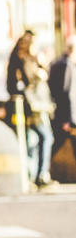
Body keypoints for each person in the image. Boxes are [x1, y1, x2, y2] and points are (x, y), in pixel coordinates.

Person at [8, 30, 55, 187]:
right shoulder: (25, 61)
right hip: (34, 107)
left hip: (33, 106)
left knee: (32, 140)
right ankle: (39, 175)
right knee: (45, 138)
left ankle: (32, 175)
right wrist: (39, 73)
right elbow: (28, 83)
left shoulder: (24, 59)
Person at [49, 36, 76, 172]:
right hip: (68, 115)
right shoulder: (68, 65)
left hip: (61, 113)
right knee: (56, 142)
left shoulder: (56, 63)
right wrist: (69, 119)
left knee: (54, 142)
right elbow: (68, 93)